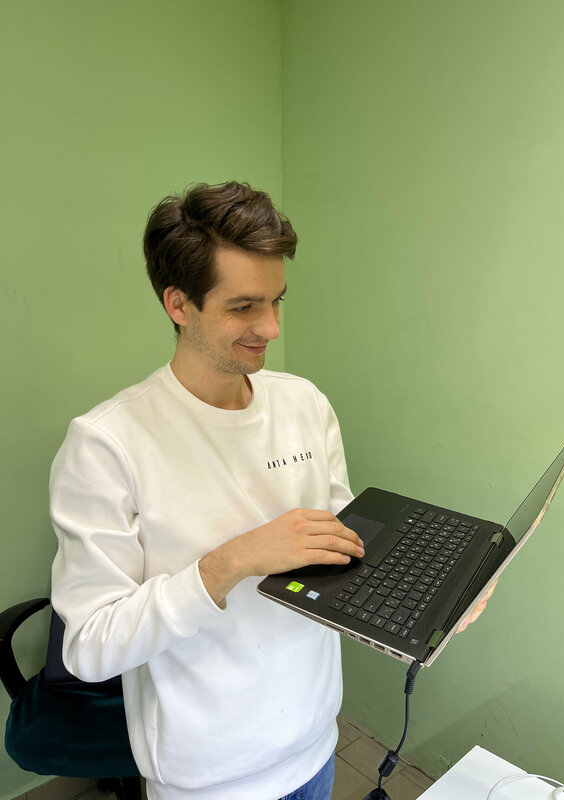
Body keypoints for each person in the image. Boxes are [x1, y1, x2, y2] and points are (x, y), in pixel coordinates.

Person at [50, 181, 364, 800]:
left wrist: (434, 591)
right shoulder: (105, 444)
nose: (270, 328)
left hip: (314, 742)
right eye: (244, 307)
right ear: (179, 304)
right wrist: (232, 561)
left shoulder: (304, 403)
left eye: (276, 301)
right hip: (209, 776)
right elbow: (89, 647)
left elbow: (341, 531)